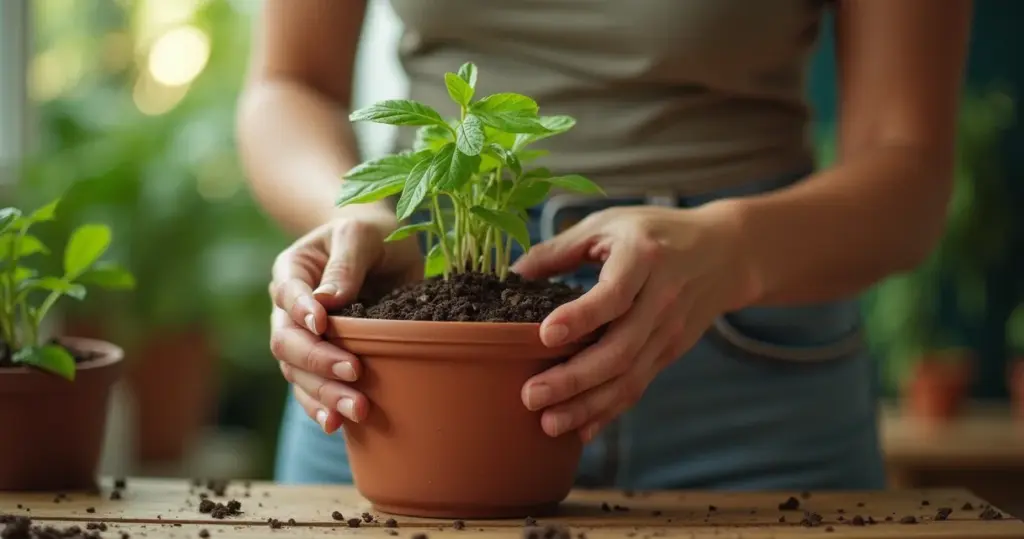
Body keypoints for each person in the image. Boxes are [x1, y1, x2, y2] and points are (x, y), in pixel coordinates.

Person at [237, 0, 972, 489]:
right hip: (406, 349)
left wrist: (733, 248)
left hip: (746, 378)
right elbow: (289, 83)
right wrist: (357, 218)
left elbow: (909, 166)